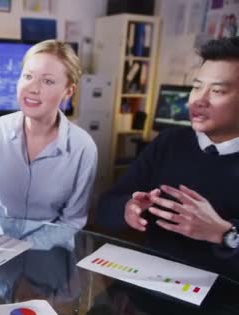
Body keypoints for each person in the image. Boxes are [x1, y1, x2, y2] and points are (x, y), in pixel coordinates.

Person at [95, 37, 239, 278]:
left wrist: (223, 233)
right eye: (196, 86)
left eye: (216, 90)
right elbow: (105, 208)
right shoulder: (169, 142)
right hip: (151, 284)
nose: (198, 100)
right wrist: (129, 209)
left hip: (222, 301)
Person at [0, 40, 97, 230]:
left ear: (68, 91)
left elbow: (73, 221)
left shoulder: (83, 147)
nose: (32, 88)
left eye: (47, 81)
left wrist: (33, 246)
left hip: (50, 247)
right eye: (28, 76)